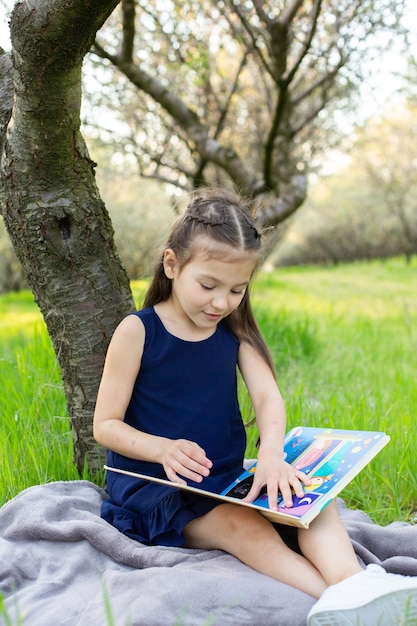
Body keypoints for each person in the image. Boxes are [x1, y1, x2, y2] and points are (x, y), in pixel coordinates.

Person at [93, 189, 417, 625]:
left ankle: (356, 580)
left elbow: (268, 398)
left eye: (237, 290)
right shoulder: (138, 330)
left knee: (309, 502)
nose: (221, 303)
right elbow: (105, 425)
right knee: (244, 526)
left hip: (222, 478)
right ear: (172, 265)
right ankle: (340, 599)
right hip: (158, 488)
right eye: (208, 286)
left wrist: (271, 457)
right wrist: (162, 449)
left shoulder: (233, 333)